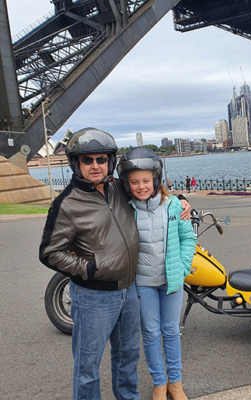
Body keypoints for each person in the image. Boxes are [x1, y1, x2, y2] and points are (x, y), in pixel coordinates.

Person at [39, 128, 191, 400]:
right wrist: (88, 269)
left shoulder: (119, 189)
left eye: (101, 159)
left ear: (110, 162)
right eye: (87, 160)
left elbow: (150, 190)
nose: (95, 165)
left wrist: (181, 200)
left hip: (130, 291)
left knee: (127, 358)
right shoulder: (67, 204)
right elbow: (50, 252)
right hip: (93, 296)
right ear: (76, 163)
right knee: (88, 366)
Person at [117, 148, 196, 400]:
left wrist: (182, 267)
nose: (141, 186)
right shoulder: (125, 208)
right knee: (150, 333)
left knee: (171, 331)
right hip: (143, 283)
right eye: (134, 182)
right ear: (127, 184)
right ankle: (159, 384)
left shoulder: (173, 204)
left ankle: (176, 382)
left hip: (172, 280)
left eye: (146, 181)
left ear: (156, 180)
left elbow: (188, 239)